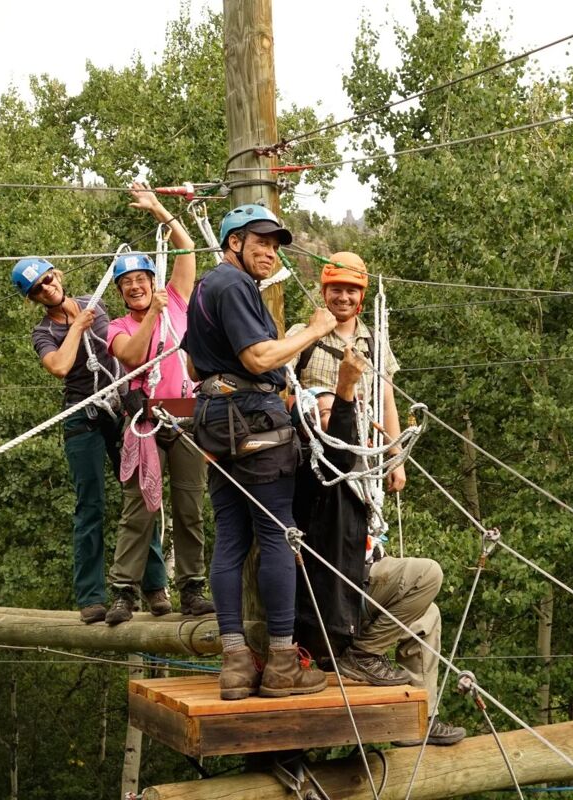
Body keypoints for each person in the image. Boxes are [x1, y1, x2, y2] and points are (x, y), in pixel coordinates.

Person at [183, 203, 336, 701]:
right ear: (234, 243)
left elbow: (192, 366)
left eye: (274, 244)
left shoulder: (206, 288)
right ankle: (283, 663)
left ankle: (234, 663)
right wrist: (312, 331)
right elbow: (256, 357)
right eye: (260, 242)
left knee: (230, 537)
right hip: (254, 421)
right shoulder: (235, 285)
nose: (269, 251)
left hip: (214, 419)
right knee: (276, 535)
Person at [292, 346, 466, 745]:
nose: (328, 417)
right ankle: (363, 655)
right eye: (319, 413)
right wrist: (346, 390)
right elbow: (335, 440)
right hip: (336, 595)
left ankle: (416, 720)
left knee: (427, 617)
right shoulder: (313, 465)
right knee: (428, 574)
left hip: (360, 583)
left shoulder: (354, 467)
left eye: (332, 410)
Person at [11, 256, 167, 624]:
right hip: (83, 416)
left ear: (57, 274)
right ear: (33, 298)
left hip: (119, 408)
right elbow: (60, 366)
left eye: (48, 279)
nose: (47, 287)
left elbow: (124, 342)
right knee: (90, 505)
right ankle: (92, 597)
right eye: (38, 289)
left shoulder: (96, 303)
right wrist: (77, 327)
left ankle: (155, 585)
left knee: (142, 494)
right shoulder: (44, 332)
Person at [105, 184, 213, 626]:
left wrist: (158, 210)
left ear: (153, 280)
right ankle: (124, 592)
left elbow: (187, 249)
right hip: (145, 420)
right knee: (140, 511)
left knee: (189, 508)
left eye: (141, 280)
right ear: (121, 292)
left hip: (185, 416)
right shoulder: (116, 325)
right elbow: (131, 356)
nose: (135, 288)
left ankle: (192, 587)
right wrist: (152, 311)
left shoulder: (178, 303)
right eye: (127, 284)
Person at [286, 251, 406, 493]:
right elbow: (277, 384)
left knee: (358, 526)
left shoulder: (375, 343)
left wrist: (396, 458)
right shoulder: (302, 333)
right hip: (309, 452)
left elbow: (386, 403)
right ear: (324, 292)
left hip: (358, 453)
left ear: (361, 296)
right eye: (336, 290)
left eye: (351, 291)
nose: (343, 298)